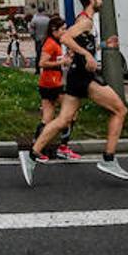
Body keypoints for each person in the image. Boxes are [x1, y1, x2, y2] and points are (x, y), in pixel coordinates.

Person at [21, 0, 128, 184]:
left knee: (63, 120)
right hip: (84, 78)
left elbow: (82, 43)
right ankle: (108, 159)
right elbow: (66, 37)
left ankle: (32, 155)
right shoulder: (85, 21)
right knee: (120, 110)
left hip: (75, 76)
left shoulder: (87, 21)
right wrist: (87, 55)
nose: (101, 0)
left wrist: (104, 46)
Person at [36, 16, 81, 161]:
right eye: (62, 29)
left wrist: (64, 59)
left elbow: (55, 61)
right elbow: (42, 63)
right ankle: (63, 147)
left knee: (48, 118)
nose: (65, 31)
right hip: (53, 85)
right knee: (71, 114)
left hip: (48, 84)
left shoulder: (54, 42)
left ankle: (36, 147)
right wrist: (61, 62)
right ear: (54, 30)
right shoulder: (50, 44)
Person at [30, 6, 50, 75]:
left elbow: (32, 31)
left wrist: (34, 37)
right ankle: (46, 69)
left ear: (38, 11)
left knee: (38, 55)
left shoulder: (34, 20)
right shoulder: (48, 19)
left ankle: (37, 70)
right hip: (46, 39)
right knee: (47, 54)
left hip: (38, 39)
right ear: (44, 11)